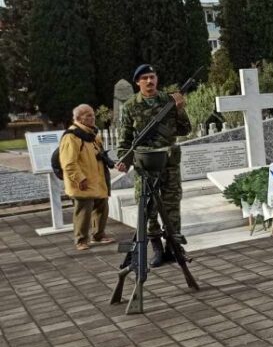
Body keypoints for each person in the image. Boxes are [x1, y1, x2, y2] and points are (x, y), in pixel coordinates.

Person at [116, 64, 192, 264]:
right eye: (144, 78)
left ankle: (174, 248)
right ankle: (157, 249)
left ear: (156, 79)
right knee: (147, 209)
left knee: (172, 207)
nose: (149, 81)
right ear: (138, 82)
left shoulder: (169, 100)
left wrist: (180, 109)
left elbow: (185, 130)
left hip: (169, 164)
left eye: (152, 77)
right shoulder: (131, 106)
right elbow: (124, 139)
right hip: (146, 166)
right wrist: (123, 159)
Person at [60, 104, 115, 251]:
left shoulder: (92, 134)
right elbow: (68, 162)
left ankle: (99, 234)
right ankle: (81, 240)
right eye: (88, 115)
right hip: (83, 181)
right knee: (83, 211)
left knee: (101, 206)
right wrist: (79, 178)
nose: (92, 117)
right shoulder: (72, 136)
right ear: (78, 118)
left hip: (97, 177)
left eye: (92, 114)